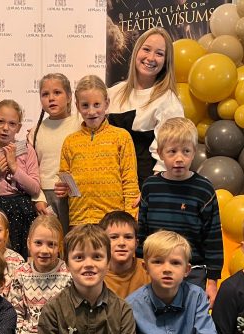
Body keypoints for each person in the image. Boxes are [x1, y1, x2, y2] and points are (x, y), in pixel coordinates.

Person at [37, 224, 139, 334]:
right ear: (67, 264)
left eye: (97, 257)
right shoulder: (53, 310)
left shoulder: (123, 310)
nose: (89, 264)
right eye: (79, 257)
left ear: (108, 262)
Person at [126, 231, 225, 334]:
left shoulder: (197, 296)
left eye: (175, 263)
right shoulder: (131, 305)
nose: (167, 269)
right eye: (158, 261)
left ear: (187, 270)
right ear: (145, 267)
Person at [137, 117, 222, 306]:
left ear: (194, 152)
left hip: (193, 271)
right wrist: (140, 265)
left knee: (190, 316)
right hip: (156, 268)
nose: (179, 158)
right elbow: (142, 230)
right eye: (172, 151)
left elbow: (213, 237)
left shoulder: (204, 189)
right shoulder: (150, 186)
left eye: (186, 151)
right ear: (160, 153)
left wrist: (212, 282)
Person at [54, 75, 139, 227]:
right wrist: (63, 189)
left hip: (113, 222)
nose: (91, 111)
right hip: (79, 220)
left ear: (107, 103)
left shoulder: (121, 137)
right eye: (85, 105)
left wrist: (130, 220)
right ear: (77, 106)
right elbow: (66, 184)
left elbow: (130, 183)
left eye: (97, 104)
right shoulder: (70, 142)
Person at [107, 27, 184, 189]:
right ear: (136, 51)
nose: (151, 58)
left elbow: (168, 158)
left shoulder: (168, 101)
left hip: (143, 188)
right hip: (107, 186)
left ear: (166, 62)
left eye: (159, 53)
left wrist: (149, 193)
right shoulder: (112, 93)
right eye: (146, 49)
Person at [7, 215, 71, 334]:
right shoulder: (21, 274)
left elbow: (72, 318)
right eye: (38, 243)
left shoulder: (68, 274)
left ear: (59, 246)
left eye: (51, 244)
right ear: (29, 243)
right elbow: (15, 316)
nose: (44, 250)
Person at [0, 99, 41, 259]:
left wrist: (14, 168)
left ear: (19, 127)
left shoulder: (27, 150)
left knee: (23, 255)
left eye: (12, 124)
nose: (5, 128)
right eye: (0, 122)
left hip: (24, 210)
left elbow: (35, 188)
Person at [28, 73, 81, 232]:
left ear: (69, 96)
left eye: (57, 92)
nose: (51, 98)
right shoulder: (35, 132)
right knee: (52, 239)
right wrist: (38, 198)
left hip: (75, 194)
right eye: (45, 94)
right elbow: (31, 170)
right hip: (46, 197)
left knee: (74, 240)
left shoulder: (80, 124)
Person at [98, 211, 150, 298]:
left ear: (136, 243)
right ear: (102, 243)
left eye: (128, 237)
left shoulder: (148, 269)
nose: (121, 243)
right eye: (114, 237)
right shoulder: (96, 274)